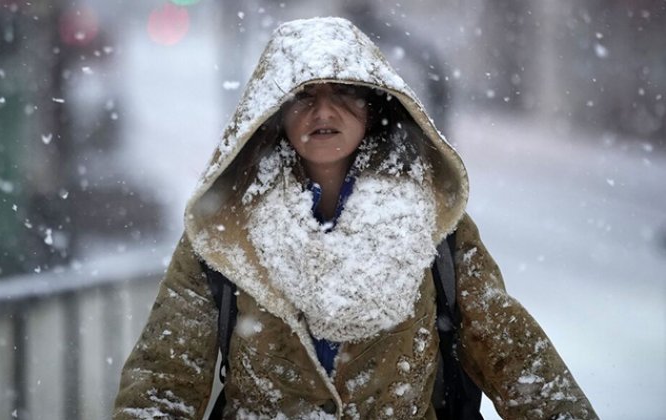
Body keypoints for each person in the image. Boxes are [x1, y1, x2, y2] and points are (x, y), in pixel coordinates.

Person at [113, 17, 597, 419]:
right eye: (303, 95)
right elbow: (163, 381)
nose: (324, 110)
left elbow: (513, 354)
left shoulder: (434, 221)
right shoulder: (225, 232)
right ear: (275, 113)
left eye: (345, 92)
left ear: (374, 106)